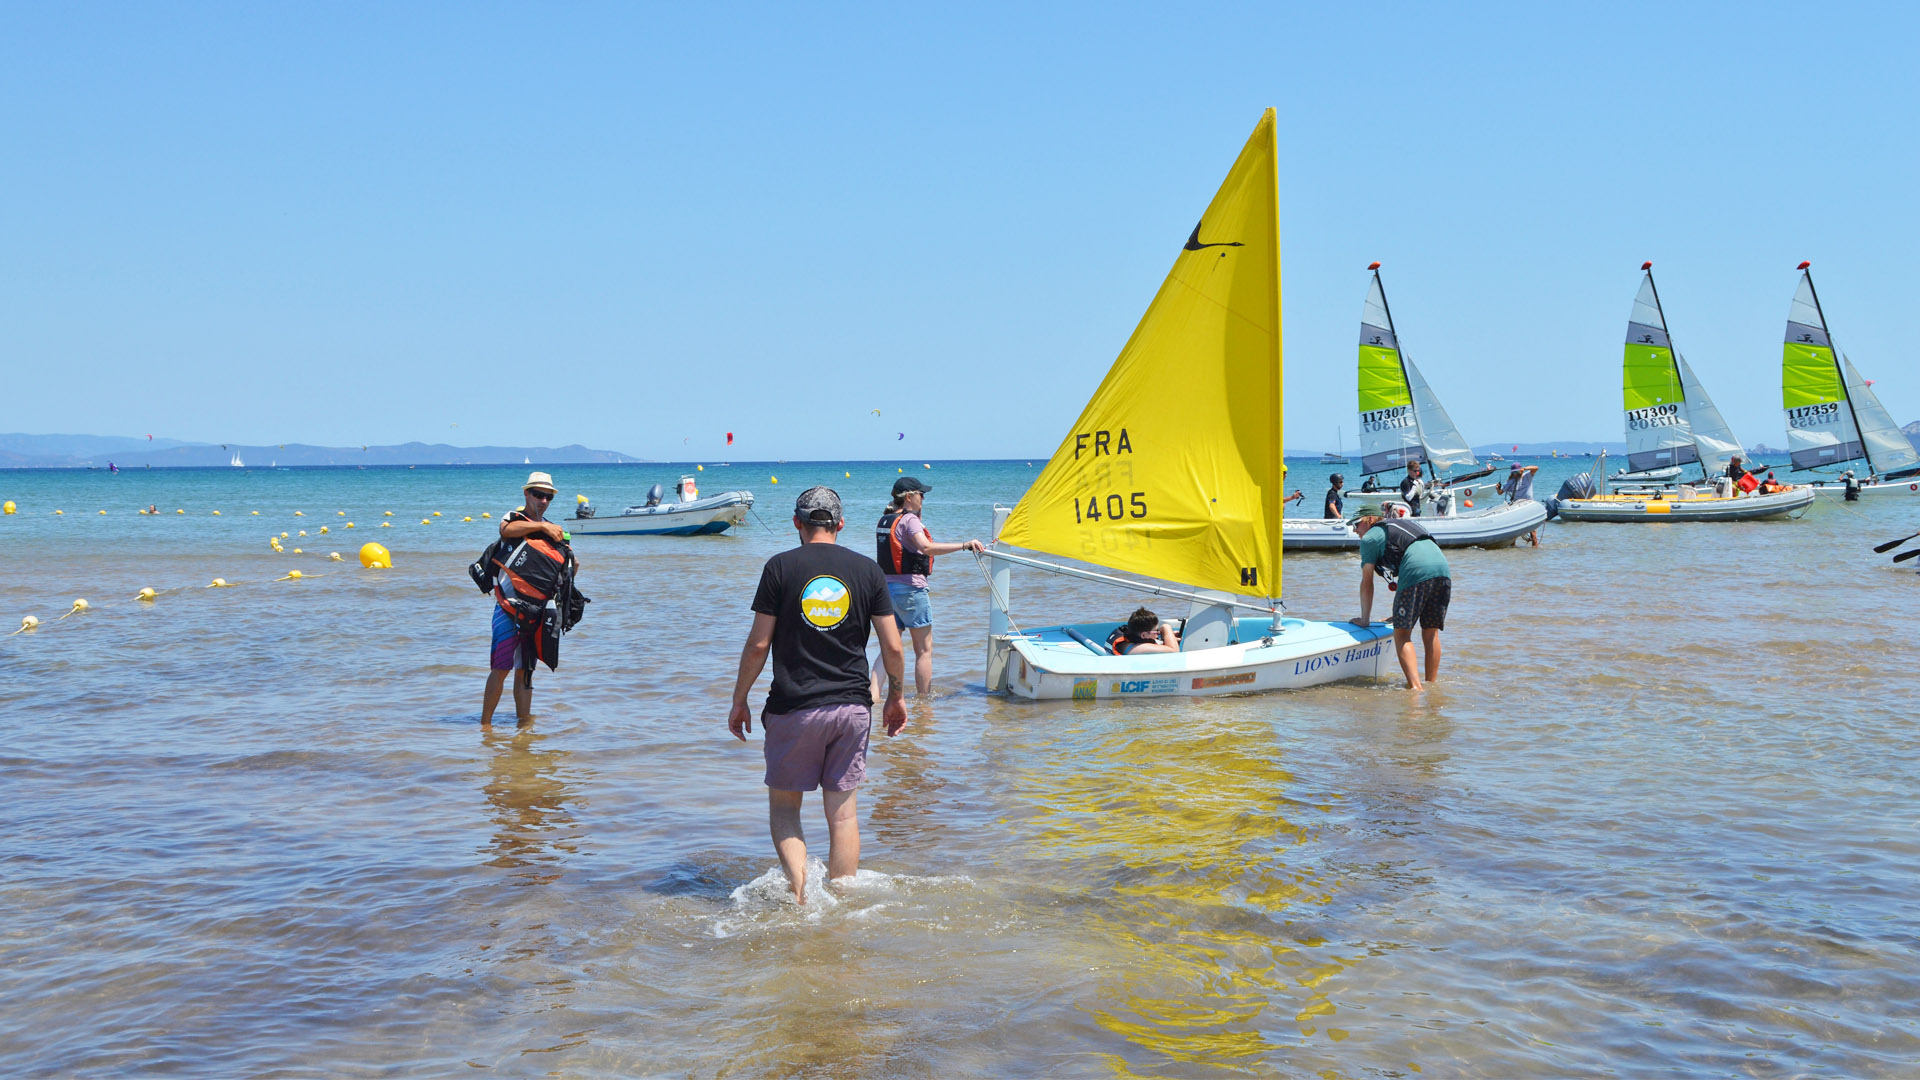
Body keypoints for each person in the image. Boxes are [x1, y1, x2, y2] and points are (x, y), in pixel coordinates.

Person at [730, 487, 907, 904]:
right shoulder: (867, 570)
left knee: (786, 810)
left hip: (795, 708)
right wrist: (896, 697)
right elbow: (895, 648)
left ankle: (799, 894)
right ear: (840, 524)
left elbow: (758, 645)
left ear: (797, 524)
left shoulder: (779, 567)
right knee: (843, 815)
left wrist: (740, 699)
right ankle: (843, 909)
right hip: (852, 708)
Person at [873, 477, 985, 697]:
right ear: (909, 497)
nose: (923, 498)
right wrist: (964, 545)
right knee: (923, 651)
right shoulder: (909, 521)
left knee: (888, 648)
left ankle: (873, 695)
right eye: (921, 494)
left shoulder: (885, 519)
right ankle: (924, 702)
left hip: (886, 592)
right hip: (911, 591)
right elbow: (925, 547)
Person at [483, 471, 566, 726]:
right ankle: (485, 726)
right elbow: (506, 530)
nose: (543, 501)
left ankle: (524, 728)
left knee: (526, 672)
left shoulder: (552, 530)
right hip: (507, 609)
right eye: (538, 495)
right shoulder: (515, 518)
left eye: (548, 496)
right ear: (526, 493)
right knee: (500, 668)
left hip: (535, 613)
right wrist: (542, 526)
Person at [1350, 513, 1451, 691]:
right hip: (1443, 570)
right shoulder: (1400, 525)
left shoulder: (1370, 538)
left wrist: (1364, 620)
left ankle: (1416, 690)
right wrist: (1399, 615)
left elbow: (1367, 582)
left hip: (1417, 570)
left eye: (1357, 524)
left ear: (1369, 520)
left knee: (1402, 634)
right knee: (1431, 633)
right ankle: (1431, 687)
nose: (1354, 529)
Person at [1105, 607, 1180, 654]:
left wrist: (1169, 637)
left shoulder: (1130, 633)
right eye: (1156, 631)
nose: (1158, 633)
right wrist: (1166, 627)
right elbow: (1174, 651)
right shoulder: (1135, 648)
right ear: (1143, 635)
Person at [1502, 462, 1542, 546]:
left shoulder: (1527, 476)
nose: (1515, 474)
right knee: (1514, 532)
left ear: (1521, 471)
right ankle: (1513, 549)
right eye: (1513, 472)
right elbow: (1500, 492)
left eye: (1517, 472)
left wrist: (1525, 468)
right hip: (1517, 507)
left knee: (1533, 533)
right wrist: (1497, 488)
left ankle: (1535, 550)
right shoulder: (1510, 481)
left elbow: (1536, 467)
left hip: (1528, 506)